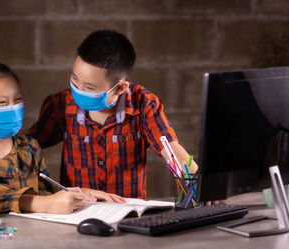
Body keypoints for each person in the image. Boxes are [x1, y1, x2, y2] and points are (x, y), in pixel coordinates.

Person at [28, 30, 198, 199]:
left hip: (127, 214)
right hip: (77, 212)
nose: (78, 90)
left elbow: (173, 152)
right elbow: (24, 148)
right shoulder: (60, 105)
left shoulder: (143, 104)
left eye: (89, 88)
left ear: (120, 87)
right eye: (74, 79)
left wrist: (196, 185)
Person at [0, 60, 124, 214]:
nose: (12, 108)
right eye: (2, 103)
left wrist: (79, 193)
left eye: (17, 100)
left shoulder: (29, 146)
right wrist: (39, 203)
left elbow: (45, 191)